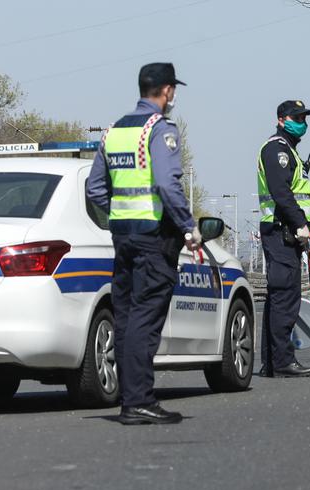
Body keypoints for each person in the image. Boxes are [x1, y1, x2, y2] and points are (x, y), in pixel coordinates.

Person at [87, 62, 199, 424]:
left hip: (122, 236)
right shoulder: (160, 129)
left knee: (126, 315)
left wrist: (118, 214)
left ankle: (128, 398)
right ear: (166, 91)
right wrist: (187, 226)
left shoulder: (114, 131)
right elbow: (168, 184)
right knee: (145, 319)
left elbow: (94, 189)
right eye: (173, 91)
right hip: (153, 237)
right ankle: (139, 401)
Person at [256, 100, 310, 378]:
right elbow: (281, 193)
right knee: (284, 298)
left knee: (281, 296)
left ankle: (273, 361)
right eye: (296, 117)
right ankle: (282, 361)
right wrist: (299, 225)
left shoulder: (289, 150)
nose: (301, 121)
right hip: (281, 231)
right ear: (281, 119)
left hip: (286, 232)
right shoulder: (276, 150)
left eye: (304, 117)